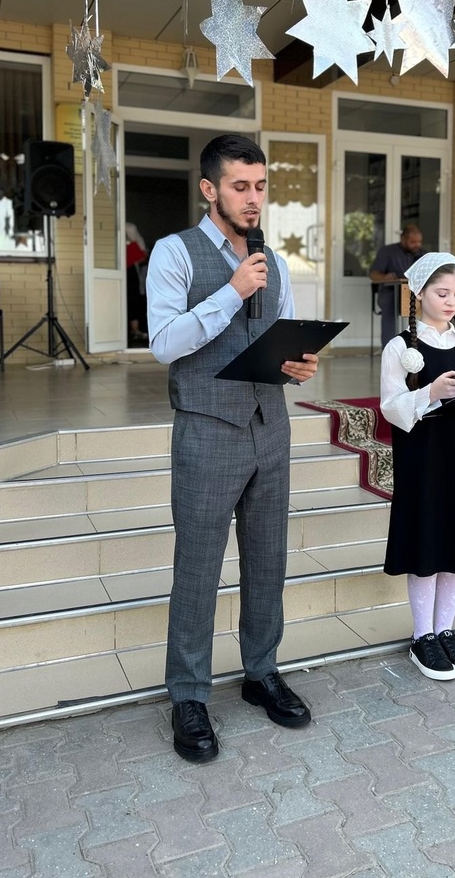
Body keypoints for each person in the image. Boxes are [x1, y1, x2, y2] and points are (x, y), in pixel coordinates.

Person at [145, 134, 319, 765]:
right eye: (240, 186)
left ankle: (261, 672)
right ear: (209, 189)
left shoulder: (275, 261)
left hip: (269, 425)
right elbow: (164, 343)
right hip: (206, 429)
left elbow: (282, 336)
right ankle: (189, 694)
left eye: (261, 186)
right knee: (198, 567)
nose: (253, 198)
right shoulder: (174, 253)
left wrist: (299, 365)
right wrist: (232, 292)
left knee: (268, 560)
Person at [380, 253, 455, 681]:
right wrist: (430, 392)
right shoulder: (400, 347)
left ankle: (446, 629)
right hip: (423, 456)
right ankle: (422, 637)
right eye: (442, 293)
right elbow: (391, 406)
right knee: (427, 541)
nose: (451, 302)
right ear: (419, 293)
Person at [369, 224, 425, 347]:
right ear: (403, 239)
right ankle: (389, 348)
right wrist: (385, 277)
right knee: (390, 302)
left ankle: (424, 346)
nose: (417, 245)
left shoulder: (423, 254)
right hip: (391, 292)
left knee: (434, 300)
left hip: (415, 292)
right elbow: (373, 274)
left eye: (419, 242)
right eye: (413, 242)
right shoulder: (387, 251)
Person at [125, 222, 149, 346]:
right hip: (129, 270)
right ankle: (134, 330)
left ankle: (134, 330)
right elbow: (142, 256)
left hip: (130, 270)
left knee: (133, 300)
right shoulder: (129, 229)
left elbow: (142, 257)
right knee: (132, 300)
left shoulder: (129, 231)